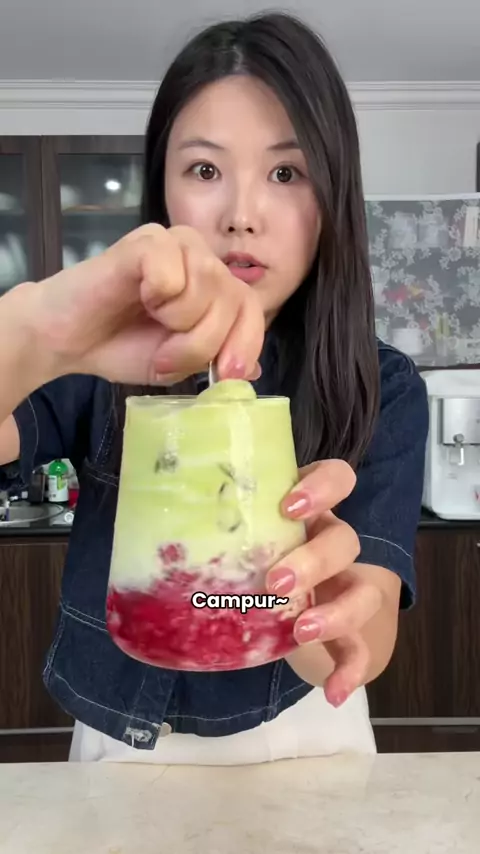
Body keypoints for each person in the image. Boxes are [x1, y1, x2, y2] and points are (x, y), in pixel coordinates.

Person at [0, 11, 428, 764]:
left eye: (286, 173)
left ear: (332, 196)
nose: (240, 217)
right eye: (204, 171)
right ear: (163, 189)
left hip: (303, 740)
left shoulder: (382, 386)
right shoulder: (100, 364)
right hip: (119, 747)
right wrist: (33, 332)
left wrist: (311, 599)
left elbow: (364, 638)